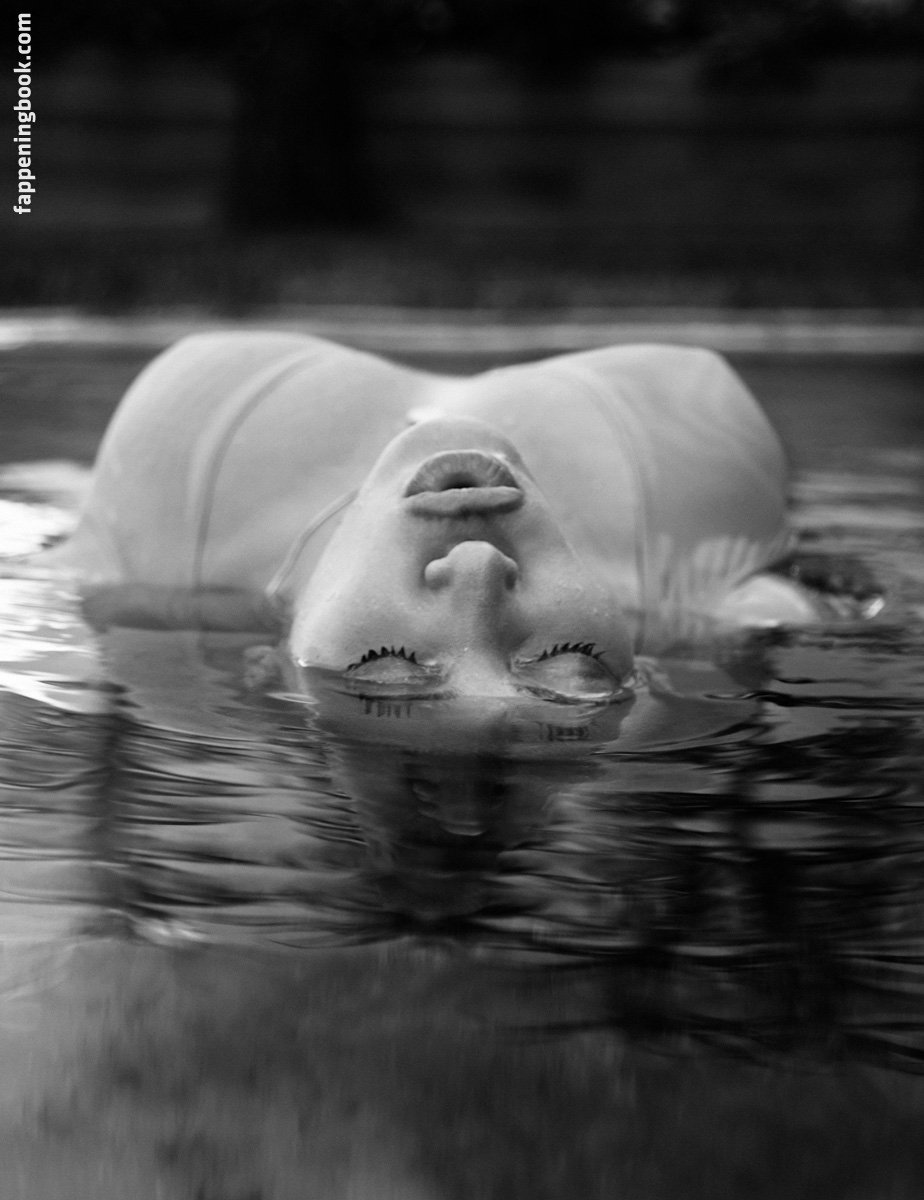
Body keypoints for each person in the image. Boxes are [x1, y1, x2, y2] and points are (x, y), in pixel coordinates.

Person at [36, 331, 830, 713]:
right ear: (638, 672)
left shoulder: (172, 524)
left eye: (391, 665)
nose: (478, 572)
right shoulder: (688, 520)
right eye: (565, 664)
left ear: (270, 671)